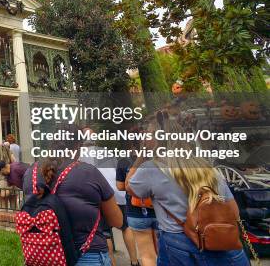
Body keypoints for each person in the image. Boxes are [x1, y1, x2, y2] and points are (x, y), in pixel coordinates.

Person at [127, 114, 248, 266]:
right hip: (220, 241)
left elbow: (129, 187)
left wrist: (141, 156)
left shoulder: (151, 169)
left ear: (159, 139)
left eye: (149, 133)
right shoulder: (206, 166)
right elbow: (234, 211)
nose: (144, 137)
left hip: (178, 244)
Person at [21, 135, 122, 266]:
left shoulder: (30, 173)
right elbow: (117, 221)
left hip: (41, 256)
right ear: (78, 146)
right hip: (87, 255)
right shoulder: (88, 172)